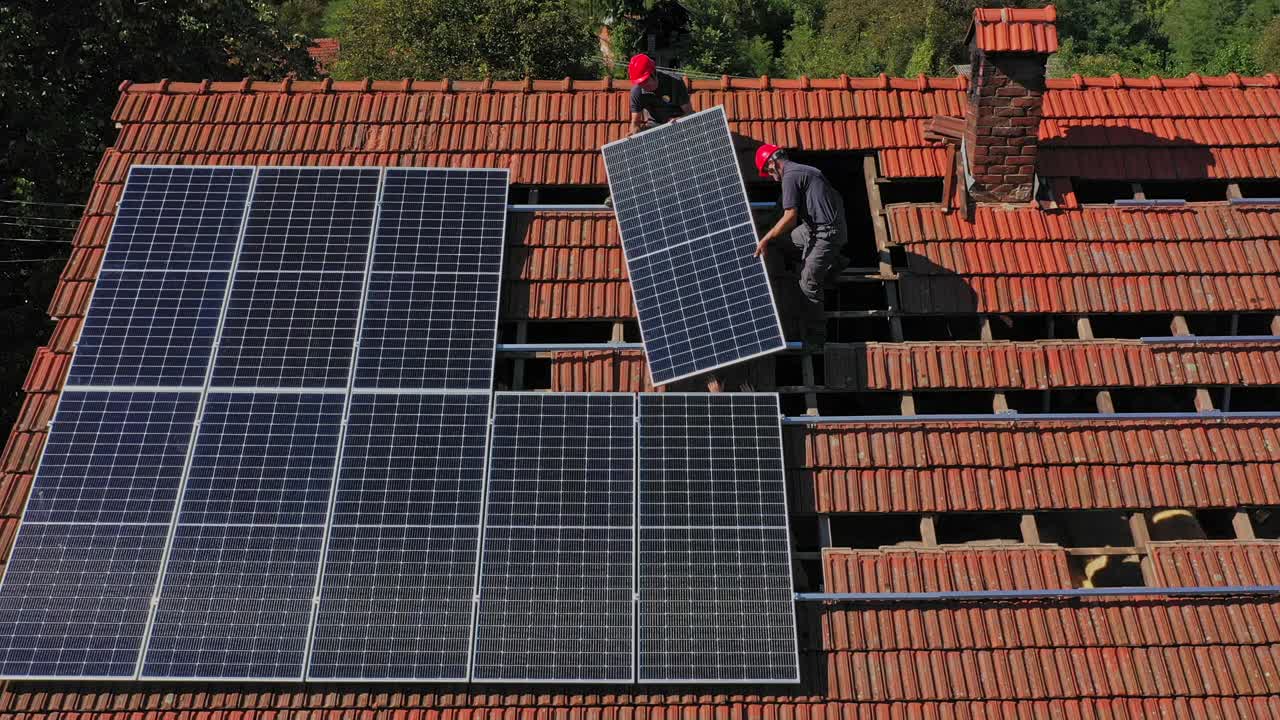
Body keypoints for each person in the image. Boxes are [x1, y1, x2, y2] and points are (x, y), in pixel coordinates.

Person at [752, 143, 850, 346]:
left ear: (773, 161)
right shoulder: (800, 171)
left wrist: (765, 238)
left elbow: (790, 216)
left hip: (826, 235)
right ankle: (828, 262)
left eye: (768, 171)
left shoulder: (790, 176)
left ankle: (816, 339)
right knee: (781, 241)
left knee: (807, 283)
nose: (770, 175)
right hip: (811, 229)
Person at [627, 53, 693, 134]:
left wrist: (679, 120)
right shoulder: (637, 91)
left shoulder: (675, 82)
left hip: (678, 125)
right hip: (655, 127)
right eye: (640, 83)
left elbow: (689, 113)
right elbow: (635, 122)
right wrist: (633, 132)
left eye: (646, 81)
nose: (644, 86)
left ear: (653, 73)